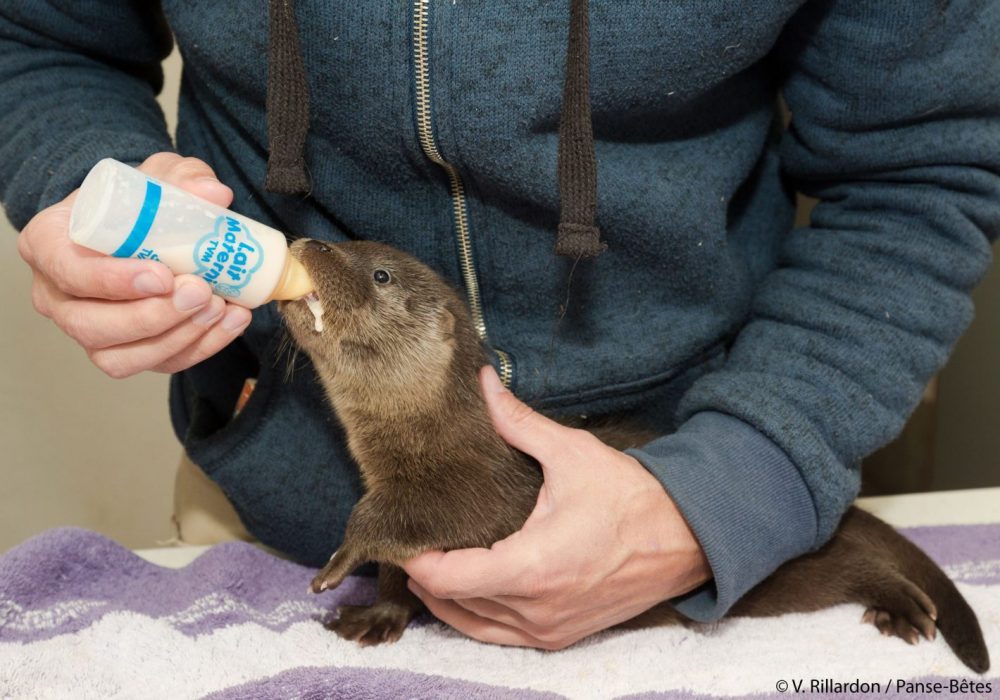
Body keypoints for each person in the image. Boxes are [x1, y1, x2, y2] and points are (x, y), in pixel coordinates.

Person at [2, 2, 997, 651]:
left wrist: (741, 476)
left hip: (724, 521)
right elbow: (37, 37)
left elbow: (923, 161)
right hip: (284, 517)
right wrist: (80, 173)